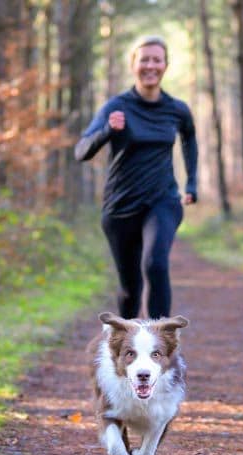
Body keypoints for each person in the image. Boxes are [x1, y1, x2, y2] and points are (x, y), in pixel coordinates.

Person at [74, 35, 198, 320]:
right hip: (121, 205)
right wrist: (107, 130)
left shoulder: (177, 109)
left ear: (165, 65)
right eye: (144, 59)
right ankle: (126, 350)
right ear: (133, 65)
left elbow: (189, 139)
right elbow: (81, 151)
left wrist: (191, 183)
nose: (150, 65)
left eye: (157, 59)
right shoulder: (116, 107)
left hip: (162, 199)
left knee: (155, 264)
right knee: (130, 289)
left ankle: (162, 348)